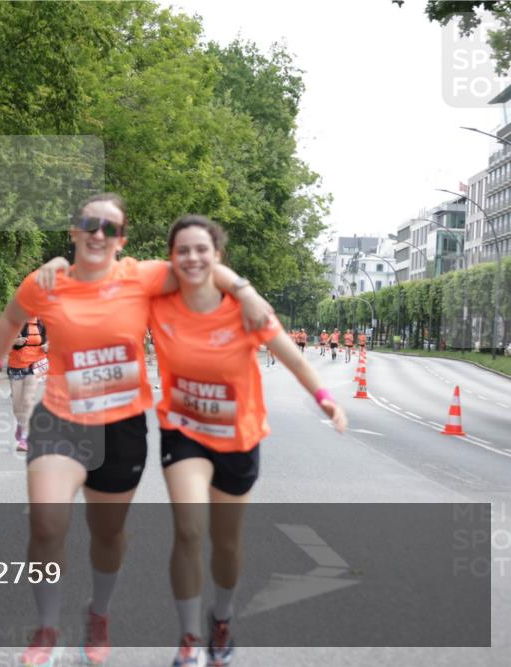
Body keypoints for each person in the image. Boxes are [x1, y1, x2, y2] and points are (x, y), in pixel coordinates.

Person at [0, 193, 271, 667]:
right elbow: (10, 319)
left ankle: (99, 613)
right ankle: (47, 627)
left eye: (110, 228)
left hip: (121, 425)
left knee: (107, 534)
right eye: (90, 223)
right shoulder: (47, 281)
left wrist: (246, 290)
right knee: (47, 524)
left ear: (121, 240)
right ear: (74, 230)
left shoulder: (140, 276)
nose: (98, 233)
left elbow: (201, 267)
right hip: (60, 419)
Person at [148, 215, 347, 667]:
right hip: (183, 433)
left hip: (238, 438)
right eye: (182, 250)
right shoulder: (158, 303)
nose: (192, 257)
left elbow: (293, 360)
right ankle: (190, 636)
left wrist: (326, 399)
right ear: (171, 258)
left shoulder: (246, 310)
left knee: (226, 543)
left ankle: (221, 618)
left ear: (217, 256)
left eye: (202, 249)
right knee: (188, 528)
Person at [7, 317, 49, 452]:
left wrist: (48, 346)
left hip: (35, 365)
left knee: (28, 400)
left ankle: (25, 439)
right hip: (16, 366)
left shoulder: (43, 322)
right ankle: (21, 424)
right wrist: (15, 342)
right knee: (17, 404)